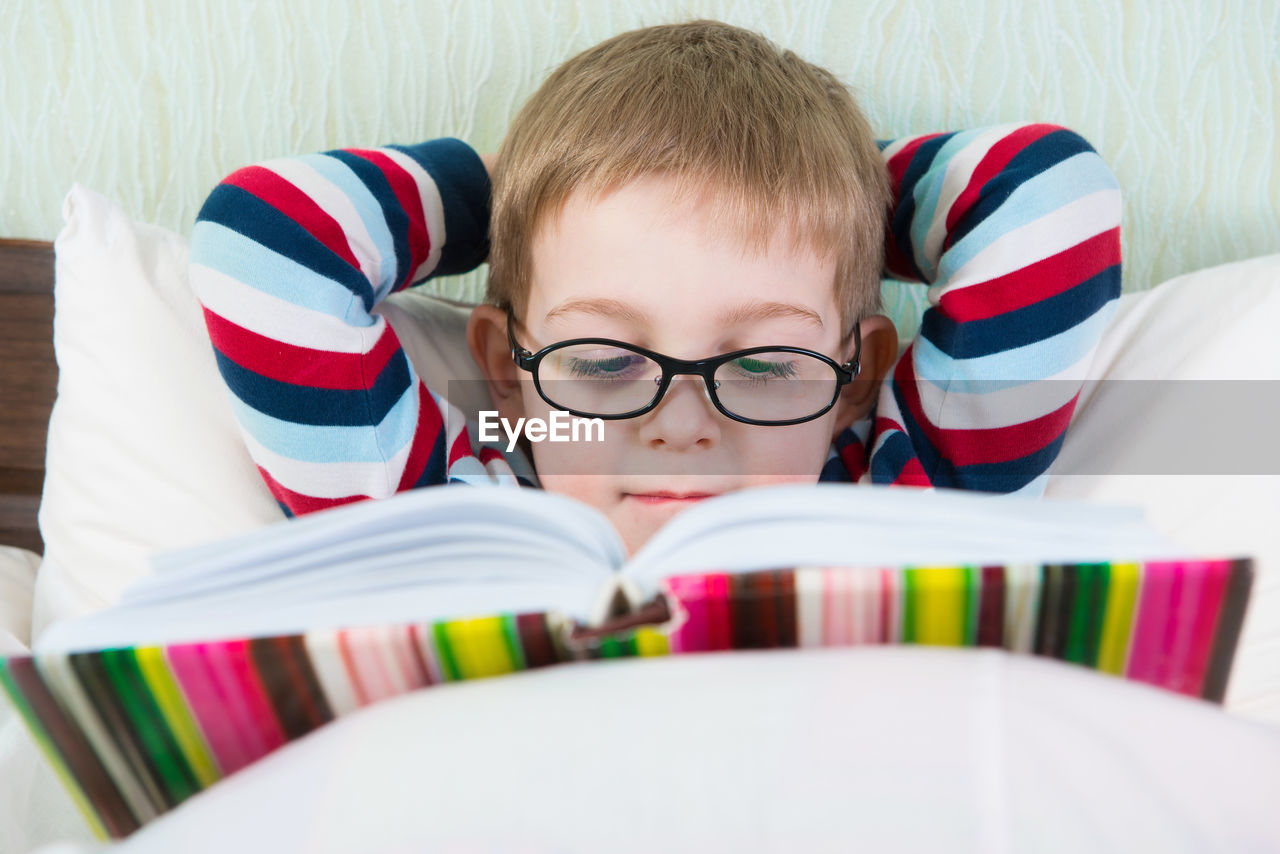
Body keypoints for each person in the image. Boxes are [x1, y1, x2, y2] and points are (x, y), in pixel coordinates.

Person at [189, 20, 1121, 554]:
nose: (679, 425)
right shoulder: (444, 522)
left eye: (763, 363)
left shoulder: (920, 495)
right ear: (506, 376)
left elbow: (1048, 196)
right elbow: (268, 236)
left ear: (856, 376)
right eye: (599, 360)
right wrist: (517, 193)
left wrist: (820, 185)